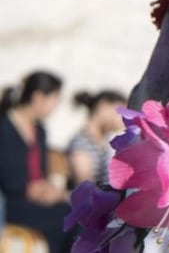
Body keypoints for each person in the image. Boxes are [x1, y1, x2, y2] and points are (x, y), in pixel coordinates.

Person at [0, 71, 71, 253]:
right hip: (13, 203)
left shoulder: (40, 130)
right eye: (54, 99)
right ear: (38, 97)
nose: (55, 107)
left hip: (38, 198)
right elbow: (9, 178)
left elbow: (42, 170)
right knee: (65, 220)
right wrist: (35, 188)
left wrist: (48, 189)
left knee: (79, 213)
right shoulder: (5, 127)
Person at [66, 90, 124, 189]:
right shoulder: (81, 144)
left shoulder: (105, 141)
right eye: (120, 113)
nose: (122, 119)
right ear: (103, 107)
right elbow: (84, 186)